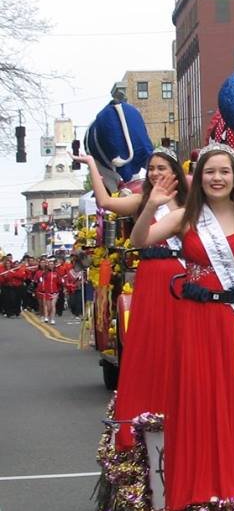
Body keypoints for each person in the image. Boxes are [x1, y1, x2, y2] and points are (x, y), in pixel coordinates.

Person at [130, 143, 234, 509]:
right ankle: (201, 486)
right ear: (200, 178)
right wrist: (151, 203)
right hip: (194, 320)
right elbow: (140, 240)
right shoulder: (186, 216)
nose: (217, 178)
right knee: (197, 398)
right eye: (210, 171)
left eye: (224, 172)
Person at [76, 147, 190, 451]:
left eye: (162, 168)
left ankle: (181, 417)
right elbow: (104, 202)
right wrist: (92, 165)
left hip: (179, 277)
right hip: (150, 276)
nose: (155, 173)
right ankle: (142, 423)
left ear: (175, 173)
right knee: (147, 347)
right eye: (151, 168)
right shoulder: (143, 202)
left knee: (178, 347)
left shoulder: (190, 204)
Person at [35, 258, 61, 324]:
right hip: (47, 292)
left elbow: (59, 282)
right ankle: (46, 316)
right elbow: (41, 282)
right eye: (50, 264)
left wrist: (59, 287)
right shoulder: (45, 273)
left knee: (53, 305)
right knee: (48, 307)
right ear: (48, 265)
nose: (51, 265)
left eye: (52, 264)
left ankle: (52, 319)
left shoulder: (57, 273)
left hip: (55, 292)